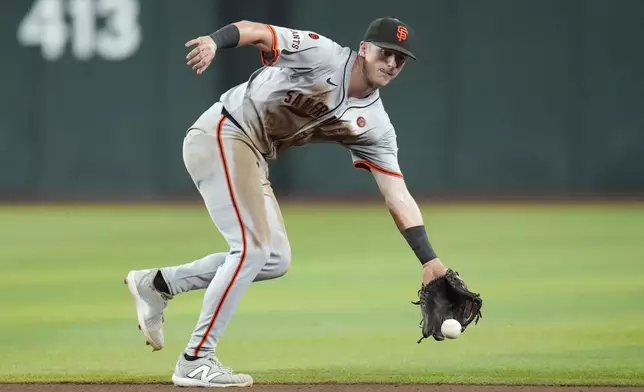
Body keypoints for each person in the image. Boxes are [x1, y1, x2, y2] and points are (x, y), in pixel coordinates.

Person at [124, 16, 482, 388]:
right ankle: (196, 359)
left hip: (253, 155)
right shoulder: (321, 54)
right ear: (364, 49)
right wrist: (216, 42)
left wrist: (430, 262)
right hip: (223, 131)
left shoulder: (375, 124)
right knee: (252, 248)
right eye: (385, 52)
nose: (392, 63)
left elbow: (398, 195)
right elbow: (257, 31)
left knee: (274, 258)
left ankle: (159, 284)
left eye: (400, 58)